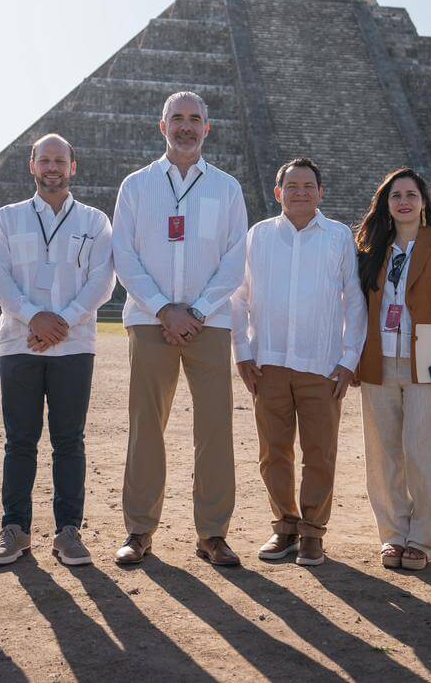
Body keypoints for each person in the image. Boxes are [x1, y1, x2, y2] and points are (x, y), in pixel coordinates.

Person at [110, 91, 248, 566]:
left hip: (210, 323)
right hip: (150, 322)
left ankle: (212, 533)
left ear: (207, 128)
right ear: (162, 125)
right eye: (177, 119)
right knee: (146, 426)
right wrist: (164, 309)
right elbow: (124, 255)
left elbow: (235, 260)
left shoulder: (227, 188)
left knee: (214, 429)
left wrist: (198, 312)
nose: (186, 127)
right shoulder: (136, 185)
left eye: (195, 120)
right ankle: (139, 530)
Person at [0, 134, 116, 568]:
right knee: (20, 441)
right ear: (32, 165)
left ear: (73, 167)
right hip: (19, 342)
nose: (53, 167)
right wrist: (33, 317)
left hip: (75, 345)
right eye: (45, 160)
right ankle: (15, 530)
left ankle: (68, 532)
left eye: (60, 160)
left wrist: (63, 320)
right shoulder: (6, 218)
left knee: (69, 441)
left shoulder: (95, 221)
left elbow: (103, 280)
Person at [232, 158, 366, 567]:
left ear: (321, 193)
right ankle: (284, 526)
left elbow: (354, 299)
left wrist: (349, 359)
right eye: (292, 186)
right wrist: (243, 352)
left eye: (309, 186)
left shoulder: (339, 236)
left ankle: (313, 533)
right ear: (279, 193)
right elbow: (238, 296)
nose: (301, 192)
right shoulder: (258, 236)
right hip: (268, 361)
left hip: (321, 364)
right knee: (273, 452)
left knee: (319, 452)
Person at [355, 168, 431, 572]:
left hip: (429, 358)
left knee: (425, 452)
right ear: (386, 204)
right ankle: (392, 534)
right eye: (395, 195)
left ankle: (422, 539)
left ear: (423, 202)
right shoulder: (371, 248)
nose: (403, 201)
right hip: (378, 359)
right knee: (382, 453)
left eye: (411, 195)